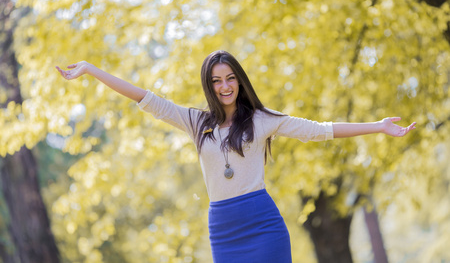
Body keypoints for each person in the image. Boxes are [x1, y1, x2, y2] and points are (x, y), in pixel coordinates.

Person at [56, 50, 416, 262]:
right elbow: (144, 98)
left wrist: (378, 126)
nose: (225, 86)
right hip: (224, 229)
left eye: (230, 78)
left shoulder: (261, 121)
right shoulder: (195, 123)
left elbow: (320, 130)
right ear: (209, 85)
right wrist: (90, 69)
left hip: (263, 224)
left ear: (240, 81)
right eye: (216, 80)